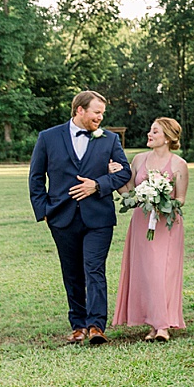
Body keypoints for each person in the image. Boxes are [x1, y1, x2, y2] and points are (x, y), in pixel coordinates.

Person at [28, 90, 134, 345]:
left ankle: (97, 325)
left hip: (98, 217)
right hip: (61, 217)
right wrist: (44, 211)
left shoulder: (109, 139)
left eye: (102, 114)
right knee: (72, 272)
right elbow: (35, 177)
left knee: (94, 268)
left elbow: (124, 172)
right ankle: (78, 325)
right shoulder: (48, 137)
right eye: (96, 112)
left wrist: (97, 185)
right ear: (80, 110)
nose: (100, 117)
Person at [112, 116, 189, 342]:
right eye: (150, 130)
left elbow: (182, 198)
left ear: (167, 138)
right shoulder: (138, 160)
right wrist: (115, 174)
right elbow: (129, 193)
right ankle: (153, 324)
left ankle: (163, 325)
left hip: (167, 224)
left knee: (163, 272)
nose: (149, 134)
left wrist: (160, 198)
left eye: (154, 131)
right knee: (146, 273)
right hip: (141, 221)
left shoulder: (179, 165)